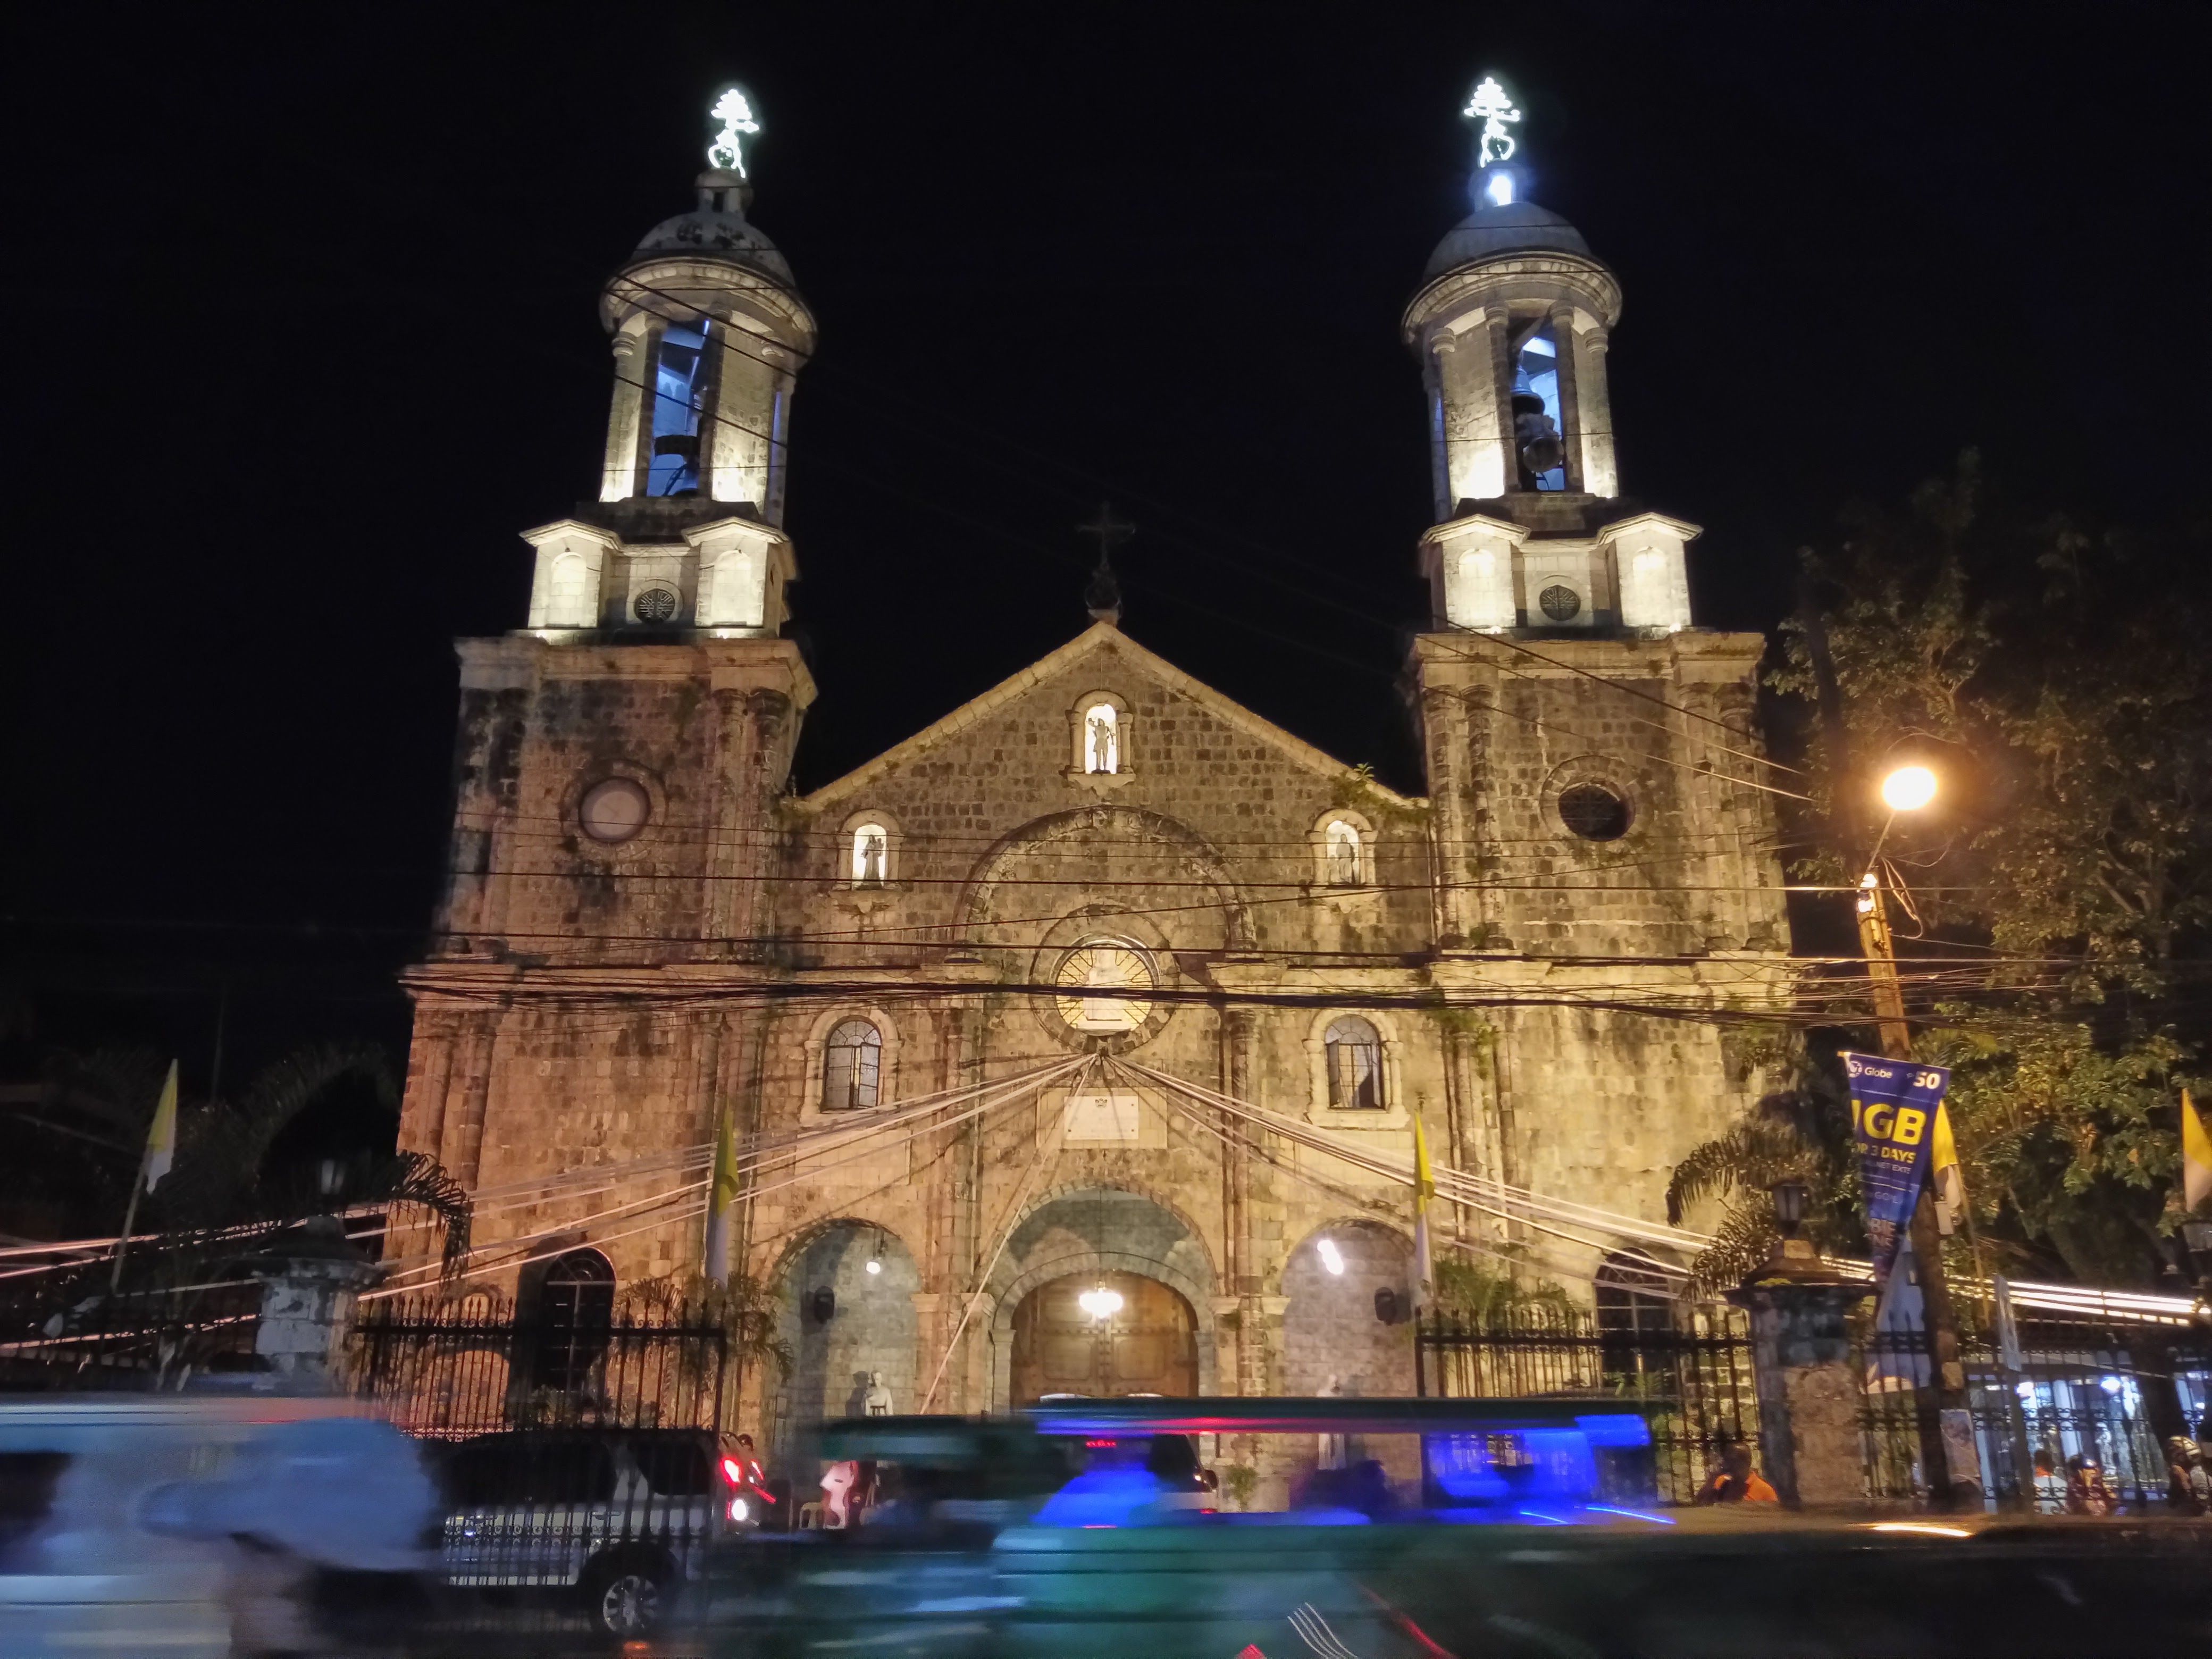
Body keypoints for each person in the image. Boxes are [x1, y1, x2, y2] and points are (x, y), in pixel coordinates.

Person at [1692, 1440, 1779, 1505]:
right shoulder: (1722, 1482)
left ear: (1747, 1462)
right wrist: (1712, 1481)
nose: (1727, 1465)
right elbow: (1701, 1503)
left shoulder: (1765, 1491)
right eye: (1726, 1461)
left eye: (1732, 1461)